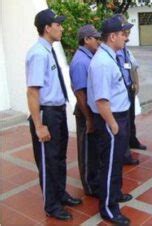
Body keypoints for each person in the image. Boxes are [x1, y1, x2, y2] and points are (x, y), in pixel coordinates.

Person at [26, 9, 82, 221]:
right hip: (46, 114)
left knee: (58, 158)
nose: (61, 27)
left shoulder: (48, 50)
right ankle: (51, 205)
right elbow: (32, 92)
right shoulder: (38, 54)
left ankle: (60, 193)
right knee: (48, 161)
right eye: (57, 24)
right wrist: (39, 126)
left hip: (57, 112)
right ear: (47, 28)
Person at [87, 14, 133, 225]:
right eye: (124, 34)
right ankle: (108, 208)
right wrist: (113, 125)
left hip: (117, 117)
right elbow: (102, 101)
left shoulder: (110, 55)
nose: (126, 38)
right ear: (113, 36)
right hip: (111, 119)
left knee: (116, 163)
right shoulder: (103, 62)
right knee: (110, 165)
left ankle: (114, 194)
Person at [69, 24, 102, 197]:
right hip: (85, 112)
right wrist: (89, 118)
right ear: (86, 39)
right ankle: (90, 186)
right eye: (96, 38)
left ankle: (95, 180)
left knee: (94, 149)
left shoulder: (89, 56)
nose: (98, 41)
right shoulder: (80, 61)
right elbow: (80, 93)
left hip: (91, 111)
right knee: (87, 150)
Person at [116, 18, 146, 165]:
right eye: (125, 31)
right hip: (121, 91)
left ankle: (132, 141)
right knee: (124, 122)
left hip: (129, 88)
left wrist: (136, 83)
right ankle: (125, 153)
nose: (127, 34)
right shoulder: (115, 51)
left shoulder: (126, 50)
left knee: (130, 119)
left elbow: (133, 67)